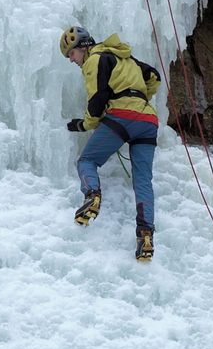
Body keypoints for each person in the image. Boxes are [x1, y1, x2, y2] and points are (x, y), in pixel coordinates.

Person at [59, 26, 162, 261]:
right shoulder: (126, 58)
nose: (71, 60)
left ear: (83, 47)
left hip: (122, 117)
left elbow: (97, 100)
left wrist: (83, 125)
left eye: (71, 54)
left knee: (87, 161)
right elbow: (154, 76)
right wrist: (139, 98)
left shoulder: (94, 59)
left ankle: (92, 196)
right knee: (143, 180)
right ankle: (145, 236)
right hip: (148, 120)